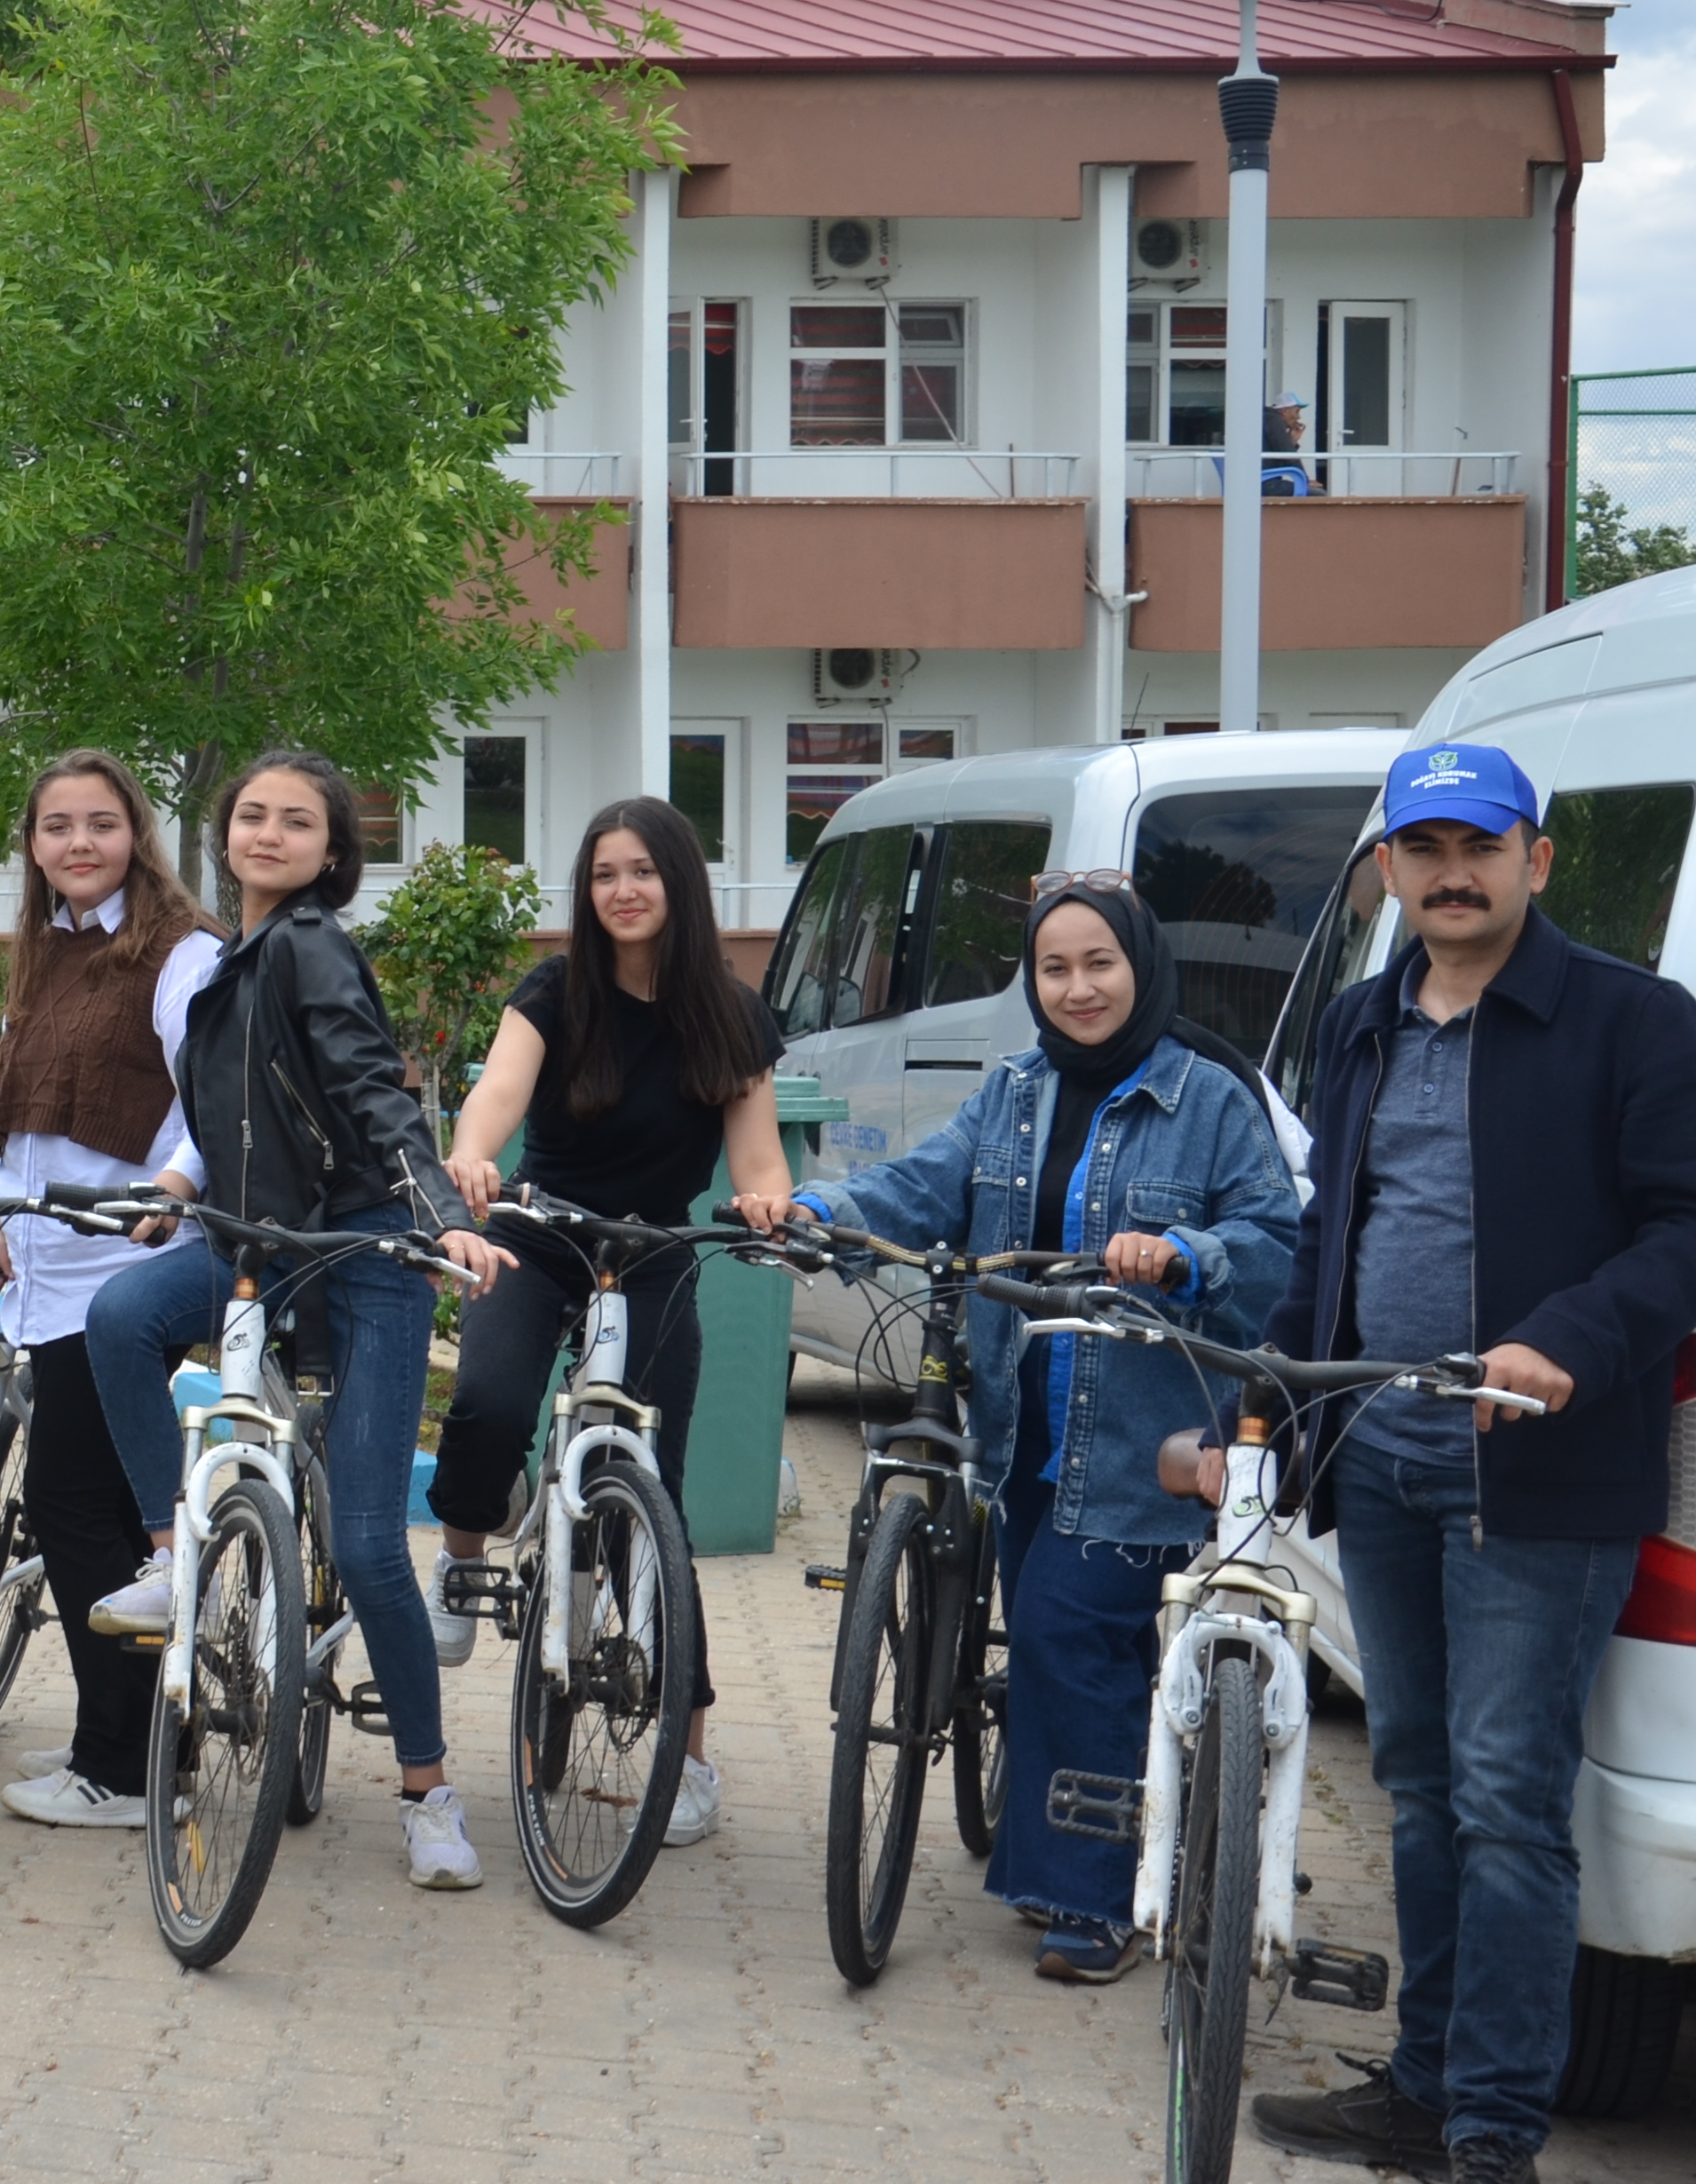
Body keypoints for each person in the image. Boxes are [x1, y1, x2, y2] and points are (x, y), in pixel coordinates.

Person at [1243, 744, 1696, 2184]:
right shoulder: (1360, 1018)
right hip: (1379, 1454)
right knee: (1420, 1778)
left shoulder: (1632, 1022)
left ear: (1534, 860)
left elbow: (1683, 1233)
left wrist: (1566, 1333)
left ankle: (1490, 2130)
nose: (1450, 868)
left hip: (1540, 1480)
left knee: (1508, 1797)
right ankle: (1422, 2082)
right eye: (1421, 843)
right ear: (1386, 866)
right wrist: (1269, 1380)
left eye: (1478, 842)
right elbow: (1333, 1227)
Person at [765, 875, 1301, 1981]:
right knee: (1061, 1641)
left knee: (1069, 1639)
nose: (1076, 988)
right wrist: (826, 1214)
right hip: (1017, 1427)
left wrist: (1189, 1257)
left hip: (1141, 1436)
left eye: (1097, 964)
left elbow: (1273, 1241)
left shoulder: (1206, 1099)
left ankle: (1091, 1901)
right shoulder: (1012, 1090)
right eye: (1052, 969)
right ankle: (1082, 1824)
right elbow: (929, 1184)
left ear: (1141, 967)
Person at [83, 748, 500, 1890]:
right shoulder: (230, 956)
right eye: (251, 816)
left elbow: (372, 1088)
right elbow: (234, 1107)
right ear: (223, 836)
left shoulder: (308, 944)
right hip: (248, 1244)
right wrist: (177, 1190)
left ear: (329, 852)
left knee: (368, 1547)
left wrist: (430, 1215)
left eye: (296, 822)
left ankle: (426, 1793)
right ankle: (175, 1556)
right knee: (119, 1317)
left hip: (361, 1251)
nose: (267, 834)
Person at [427, 798, 787, 1851]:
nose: (620, 891)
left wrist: (767, 1201)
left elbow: (757, 1159)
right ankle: (459, 1556)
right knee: (490, 1404)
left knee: (653, 1508)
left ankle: (688, 1755)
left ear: (678, 883)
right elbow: (495, 1095)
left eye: (640, 872)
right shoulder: (555, 992)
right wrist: (475, 1160)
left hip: (654, 1254)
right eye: (601, 876)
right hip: (541, 1233)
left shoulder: (729, 1015)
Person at [0, 751, 218, 1830]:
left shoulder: (178, 954)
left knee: (70, 1507)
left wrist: (173, 1185)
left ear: (135, 835)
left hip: (124, 1270)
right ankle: (156, 1735)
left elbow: (207, 1103)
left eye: (98, 825)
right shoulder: (46, 950)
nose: (76, 844)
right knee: (100, 1511)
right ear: (31, 844)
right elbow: (22, 1113)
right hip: (44, 1266)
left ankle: (118, 1762)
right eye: (55, 826)